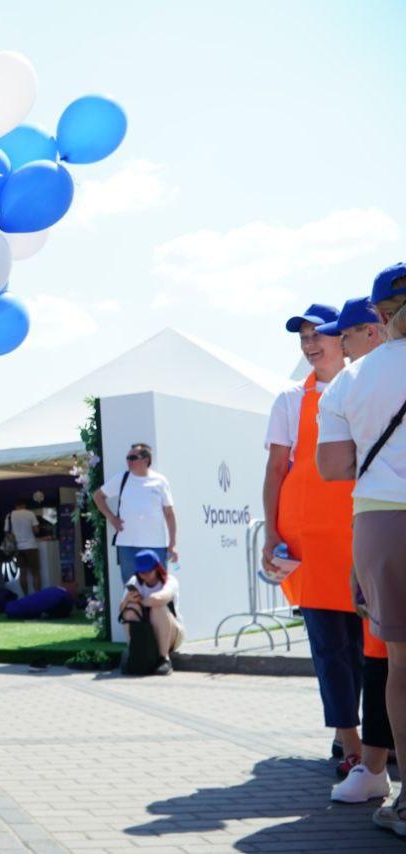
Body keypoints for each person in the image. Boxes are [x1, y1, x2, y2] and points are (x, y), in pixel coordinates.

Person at [317, 263, 406, 829]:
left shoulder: (350, 380)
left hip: (380, 522)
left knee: (401, 665)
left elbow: (331, 468)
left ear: (378, 315)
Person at [264, 302, 366, 773]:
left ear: (342, 339)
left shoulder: (368, 387)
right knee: (329, 644)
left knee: (370, 644)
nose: (308, 347)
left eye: (316, 337)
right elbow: (276, 469)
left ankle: (374, 736)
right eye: (302, 339)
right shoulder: (289, 399)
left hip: (360, 530)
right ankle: (349, 740)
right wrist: (271, 531)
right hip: (308, 535)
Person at [93, 444, 178, 587]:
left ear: (146, 460)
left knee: (158, 587)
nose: (128, 461)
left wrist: (172, 544)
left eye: (133, 457)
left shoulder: (160, 481)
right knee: (132, 589)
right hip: (127, 546)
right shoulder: (122, 478)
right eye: (128, 458)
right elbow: (97, 496)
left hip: (155, 545)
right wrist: (112, 518)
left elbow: (169, 513)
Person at [117, 549, 184, 675]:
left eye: (149, 570)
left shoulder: (170, 581)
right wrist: (127, 600)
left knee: (158, 607)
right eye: (142, 571)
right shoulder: (134, 581)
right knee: (130, 609)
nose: (145, 574)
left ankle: (164, 659)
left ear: (157, 568)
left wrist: (141, 601)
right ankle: (135, 654)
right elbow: (121, 611)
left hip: (173, 632)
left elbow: (161, 598)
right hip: (146, 631)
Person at [6, 500, 41, 595]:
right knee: (35, 573)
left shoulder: (9, 516)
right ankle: (38, 595)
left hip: (18, 548)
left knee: (22, 573)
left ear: (15, 505)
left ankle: (26, 596)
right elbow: (36, 530)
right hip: (31, 546)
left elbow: (7, 533)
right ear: (24, 505)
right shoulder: (30, 514)